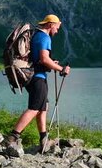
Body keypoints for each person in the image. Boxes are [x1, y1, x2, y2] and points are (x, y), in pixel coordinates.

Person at [7, 14, 71, 151]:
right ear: (50, 25)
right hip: (37, 77)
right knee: (34, 108)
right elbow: (43, 59)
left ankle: (44, 139)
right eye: (57, 27)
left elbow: (40, 59)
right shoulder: (44, 37)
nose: (57, 31)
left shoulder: (36, 35)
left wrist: (50, 63)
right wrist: (61, 69)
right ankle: (12, 138)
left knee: (43, 107)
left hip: (33, 76)